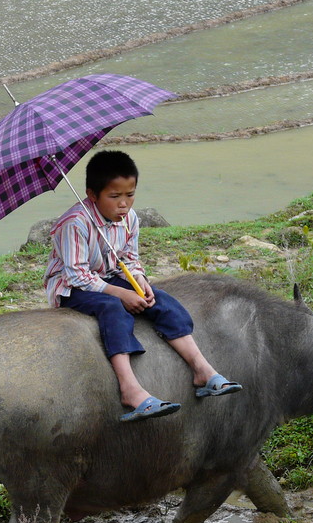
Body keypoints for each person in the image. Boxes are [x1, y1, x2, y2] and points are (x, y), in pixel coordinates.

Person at [45, 150, 243, 423]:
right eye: (114, 197)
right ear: (92, 194)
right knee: (113, 309)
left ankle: (202, 370)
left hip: (108, 276)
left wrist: (139, 281)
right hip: (71, 287)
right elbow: (78, 275)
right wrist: (121, 293)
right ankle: (130, 389)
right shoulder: (75, 223)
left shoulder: (130, 219)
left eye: (130, 195)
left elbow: (129, 258)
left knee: (161, 300)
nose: (123, 204)